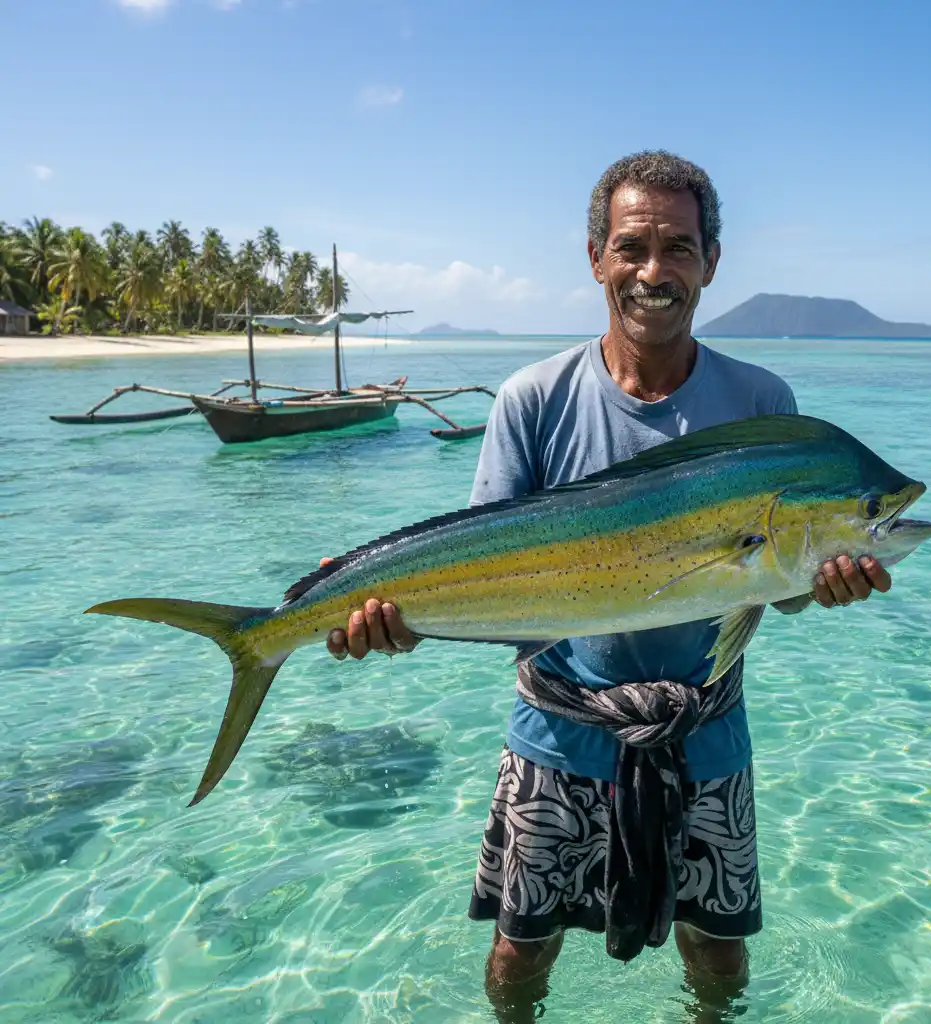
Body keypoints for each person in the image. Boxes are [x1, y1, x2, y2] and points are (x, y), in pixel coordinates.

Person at [320, 151, 893, 1022]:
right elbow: (481, 560)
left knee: (721, 948)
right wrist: (379, 607)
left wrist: (821, 586)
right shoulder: (532, 398)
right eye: (632, 247)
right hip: (557, 731)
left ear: (711, 262)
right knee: (519, 946)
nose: (654, 271)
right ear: (596, 258)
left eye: (679, 248)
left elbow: (773, 580)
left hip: (706, 732)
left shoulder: (764, 403)